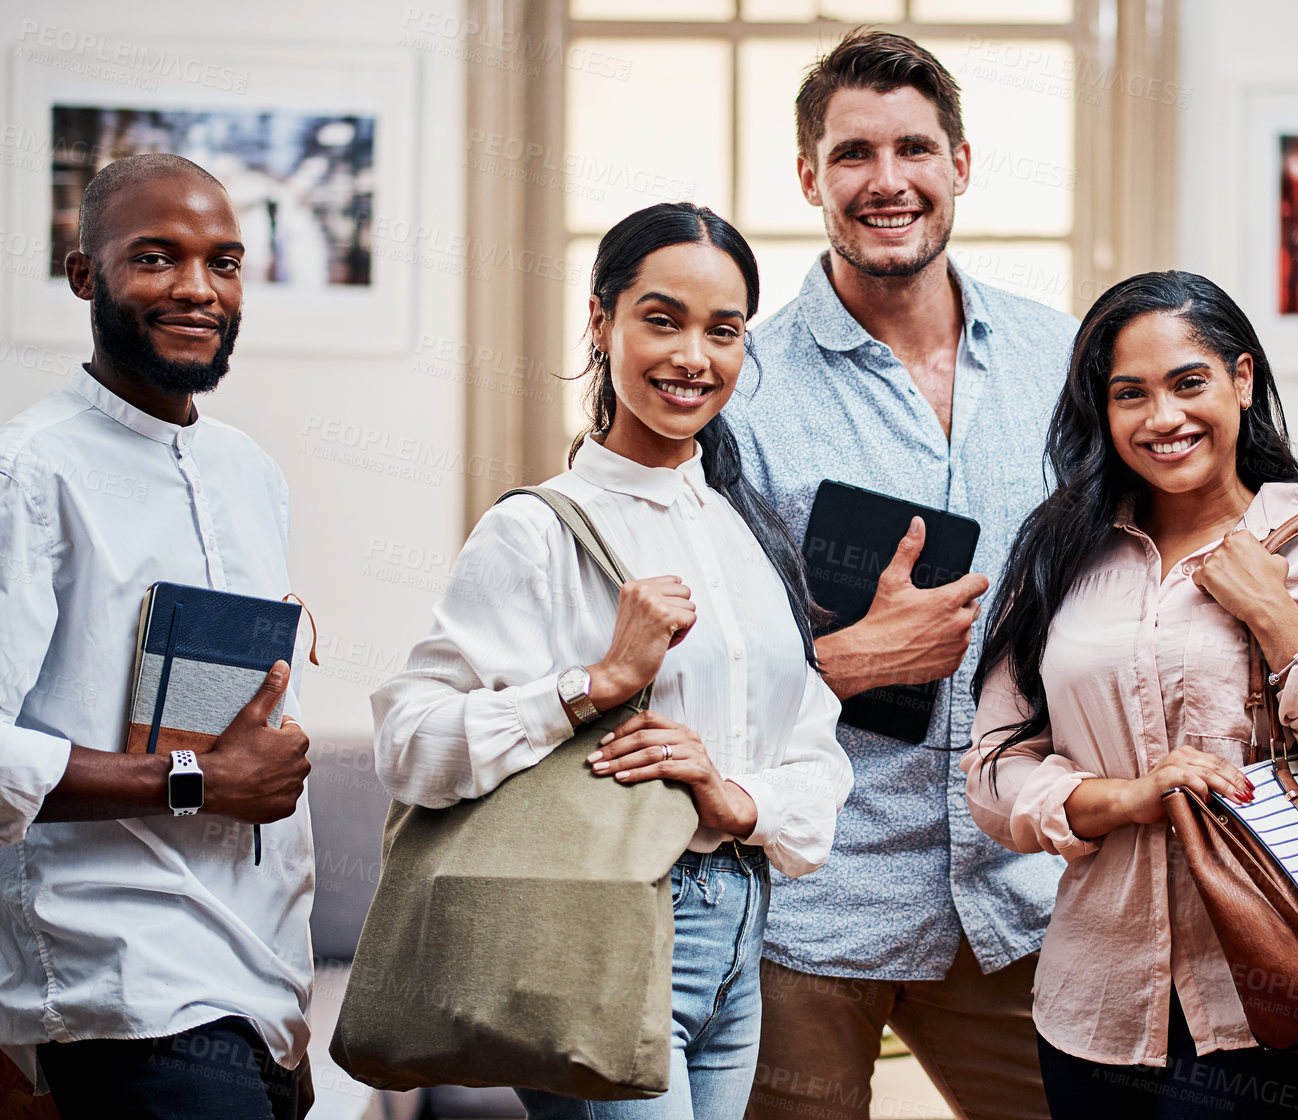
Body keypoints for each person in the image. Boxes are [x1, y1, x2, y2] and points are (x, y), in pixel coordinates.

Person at [372, 202, 852, 1120]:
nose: (693, 358)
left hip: (740, 936)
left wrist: (735, 798)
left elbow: (813, 749)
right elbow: (409, 743)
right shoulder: (534, 531)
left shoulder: (744, 529)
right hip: (598, 927)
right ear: (600, 322)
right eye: (661, 320)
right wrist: (595, 685)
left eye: (724, 331)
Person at [964, 271, 1298, 1119]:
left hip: (1278, 1007)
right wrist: (1127, 798)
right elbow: (993, 774)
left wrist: (1277, 620)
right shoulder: (1057, 557)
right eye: (1129, 394)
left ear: (1241, 382)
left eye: (1189, 382)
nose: (1163, 418)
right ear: (1100, 412)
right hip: (1091, 1004)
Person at [725, 29, 1076, 1120]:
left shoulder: (1063, 360)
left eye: (914, 149)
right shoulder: (740, 390)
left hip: (1018, 881)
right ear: (807, 177)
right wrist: (836, 660)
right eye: (852, 155)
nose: (888, 182)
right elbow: (689, 659)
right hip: (811, 898)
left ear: (959, 165)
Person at [0, 154, 315, 1118]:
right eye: (155, 258)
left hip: (256, 986)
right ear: (84, 275)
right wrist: (197, 784)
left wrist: (287, 1018)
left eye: (223, 262)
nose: (197, 288)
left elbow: (249, 738)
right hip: (121, 985)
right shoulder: (29, 473)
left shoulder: (249, 473)